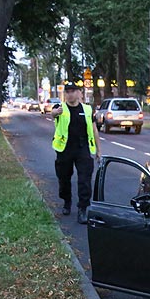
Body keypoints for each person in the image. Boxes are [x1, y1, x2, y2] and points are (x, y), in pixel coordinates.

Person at [51, 82, 101, 224]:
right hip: (64, 149)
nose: (70, 94)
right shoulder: (60, 108)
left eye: (73, 91)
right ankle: (67, 201)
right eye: (68, 91)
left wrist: (98, 150)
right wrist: (55, 113)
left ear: (79, 93)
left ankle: (83, 208)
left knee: (84, 180)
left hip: (82, 148)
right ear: (65, 94)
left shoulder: (86, 109)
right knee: (64, 178)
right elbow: (53, 114)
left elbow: (94, 129)